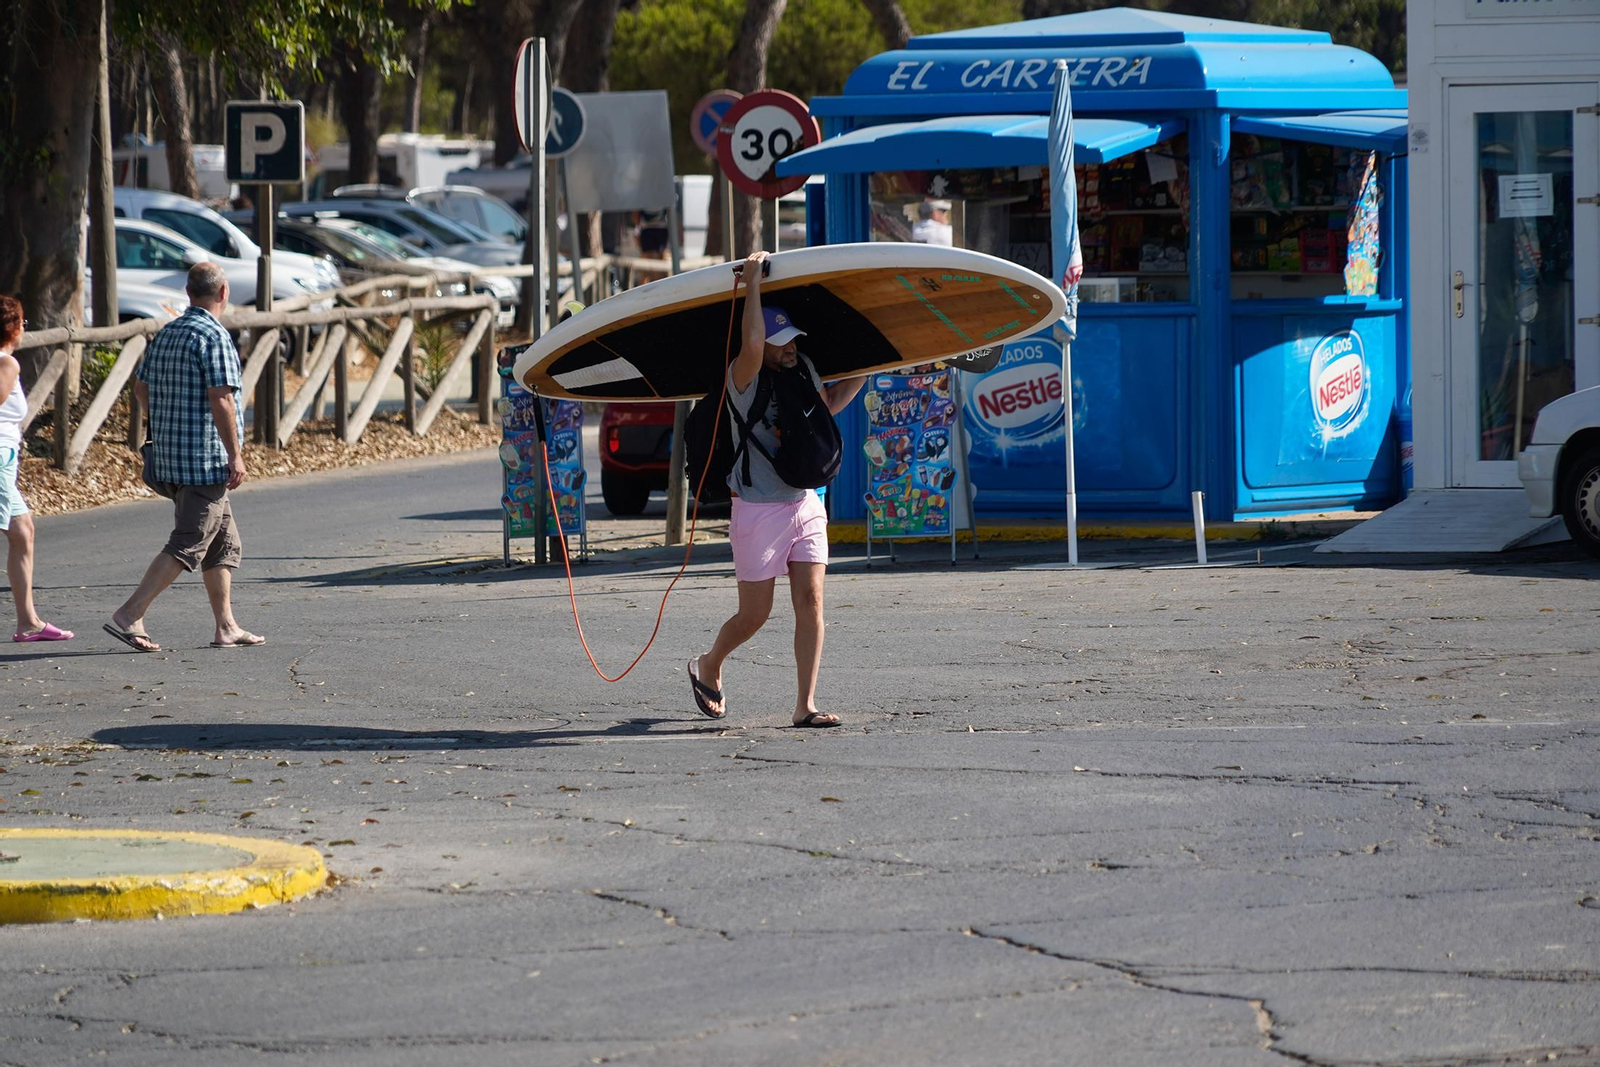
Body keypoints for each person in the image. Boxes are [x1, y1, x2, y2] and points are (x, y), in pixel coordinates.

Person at [687, 250, 866, 728]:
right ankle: (709, 662)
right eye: (780, 342)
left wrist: (869, 366)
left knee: (811, 601)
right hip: (758, 508)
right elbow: (749, 343)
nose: (790, 348)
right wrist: (752, 282)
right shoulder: (742, 376)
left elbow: (828, 403)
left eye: (792, 339)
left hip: (805, 501)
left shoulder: (801, 366)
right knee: (755, 615)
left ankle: (805, 705)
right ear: (761, 345)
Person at [105, 261, 263, 653]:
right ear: (223, 292)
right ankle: (131, 613)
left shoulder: (168, 332)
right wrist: (235, 455)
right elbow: (222, 398)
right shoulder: (215, 336)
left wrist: (166, 422)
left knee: (223, 543)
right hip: (204, 462)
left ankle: (225, 626)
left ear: (189, 292)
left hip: (170, 459)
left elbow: (140, 389)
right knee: (189, 540)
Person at [0, 297, 73, 643]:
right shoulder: (6, 363)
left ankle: (28, 622)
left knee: (23, 530)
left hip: (6, 459)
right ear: (13, 328)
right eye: (23, 323)